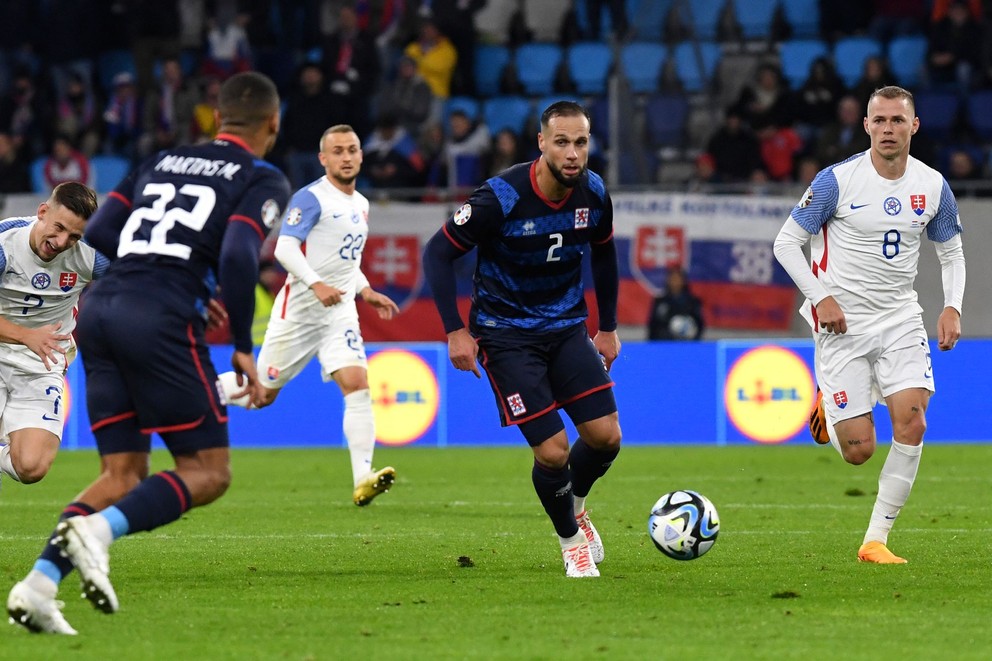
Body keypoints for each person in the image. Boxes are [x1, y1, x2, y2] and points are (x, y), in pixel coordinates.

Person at [6, 71, 291, 635]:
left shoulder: (160, 161)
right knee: (209, 472)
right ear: (273, 125)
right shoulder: (261, 176)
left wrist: (145, 270)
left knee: (122, 472)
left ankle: (37, 586)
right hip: (159, 316)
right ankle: (97, 533)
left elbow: (104, 232)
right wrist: (239, 342)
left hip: (103, 314)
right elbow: (237, 253)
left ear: (215, 116)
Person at [422, 101, 622, 579]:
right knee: (553, 450)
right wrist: (455, 329)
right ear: (541, 143)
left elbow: (605, 255)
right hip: (506, 335)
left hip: (566, 328)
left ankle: (574, 505)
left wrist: (609, 327)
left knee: (605, 437)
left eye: (581, 142)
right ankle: (570, 541)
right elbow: (436, 253)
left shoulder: (593, 192)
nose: (573, 153)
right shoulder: (501, 197)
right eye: (562, 142)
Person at [773, 86, 966, 565]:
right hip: (842, 326)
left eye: (897, 121)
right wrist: (821, 299)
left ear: (914, 126)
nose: (887, 129)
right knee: (859, 450)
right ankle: (828, 408)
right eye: (878, 121)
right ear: (865, 126)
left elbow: (951, 253)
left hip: (901, 317)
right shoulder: (837, 181)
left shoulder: (933, 186)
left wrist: (952, 306)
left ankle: (874, 540)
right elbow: (784, 244)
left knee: (913, 420)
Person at [217, 124, 400, 506]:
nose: (346, 157)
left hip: (340, 311)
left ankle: (363, 477)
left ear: (361, 155)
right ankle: (197, 392)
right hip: (300, 311)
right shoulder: (312, 197)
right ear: (323, 158)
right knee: (261, 394)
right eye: (338, 151)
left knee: (357, 384)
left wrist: (365, 291)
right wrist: (316, 284)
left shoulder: (361, 204)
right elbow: (284, 249)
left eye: (352, 149)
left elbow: (347, 262)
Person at [0, 183, 103, 490]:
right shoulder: (5, 245)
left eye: (74, 236)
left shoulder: (93, 256)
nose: (61, 242)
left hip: (42, 362)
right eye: (58, 228)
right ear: (42, 212)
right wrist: (24, 335)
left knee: (31, 468)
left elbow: (142, 279)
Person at [646, 268, 705, 340]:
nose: (675, 282)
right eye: (672, 279)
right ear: (668, 280)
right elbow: (653, 325)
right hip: (664, 344)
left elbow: (699, 324)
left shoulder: (693, 302)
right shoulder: (659, 301)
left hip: (686, 344)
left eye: (678, 279)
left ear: (683, 281)